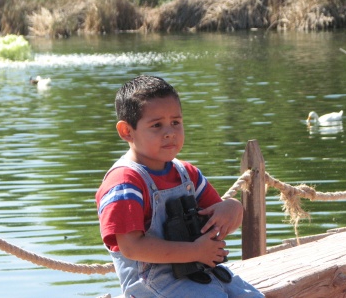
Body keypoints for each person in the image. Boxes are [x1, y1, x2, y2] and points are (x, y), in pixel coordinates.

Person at [96, 75, 264, 297]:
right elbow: (132, 247)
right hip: (152, 283)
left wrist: (232, 208)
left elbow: (216, 220)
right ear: (127, 131)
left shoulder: (187, 174)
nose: (170, 132)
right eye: (157, 125)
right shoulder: (125, 182)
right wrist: (194, 251)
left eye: (176, 122)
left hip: (202, 271)